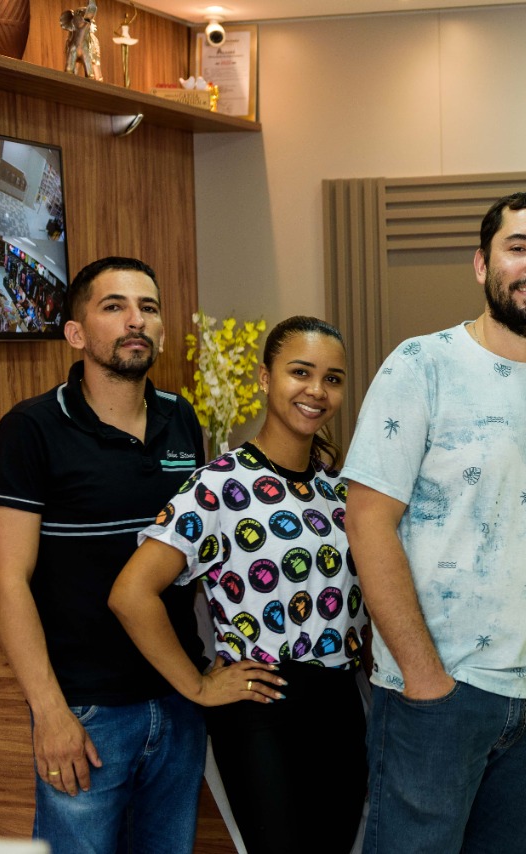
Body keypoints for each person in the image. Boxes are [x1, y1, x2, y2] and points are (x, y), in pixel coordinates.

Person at [342, 190, 526, 854]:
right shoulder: (422, 365)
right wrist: (424, 677)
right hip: (436, 695)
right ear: (481, 263)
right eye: (518, 247)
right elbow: (368, 523)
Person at [109, 315, 368, 854]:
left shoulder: (341, 493)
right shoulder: (220, 485)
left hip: (340, 706)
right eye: (300, 372)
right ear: (265, 378)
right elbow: (131, 594)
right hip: (261, 707)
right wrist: (198, 685)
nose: (317, 391)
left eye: (333, 379)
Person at [0, 256, 207, 853]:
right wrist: (50, 712)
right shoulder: (31, 428)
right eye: (114, 306)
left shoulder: (181, 418)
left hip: (177, 699)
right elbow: (5, 580)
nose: (136, 320)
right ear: (76, 333)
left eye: (148, 307)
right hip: (85, 712)